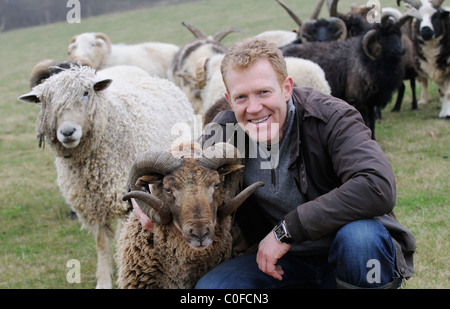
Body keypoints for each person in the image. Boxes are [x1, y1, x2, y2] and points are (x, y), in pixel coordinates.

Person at [132, 38, 415, 289]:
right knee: (216, 287)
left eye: (264, 92)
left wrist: (286, 230)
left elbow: (376, 186)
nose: (254, 108)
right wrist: (141, 194)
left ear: (287, 87)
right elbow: (189, 175)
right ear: (229, 100)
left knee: (360, 238)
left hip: (346, 252)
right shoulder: (226, 130)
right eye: (242, 97)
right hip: (280, 263)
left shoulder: (331, 117)